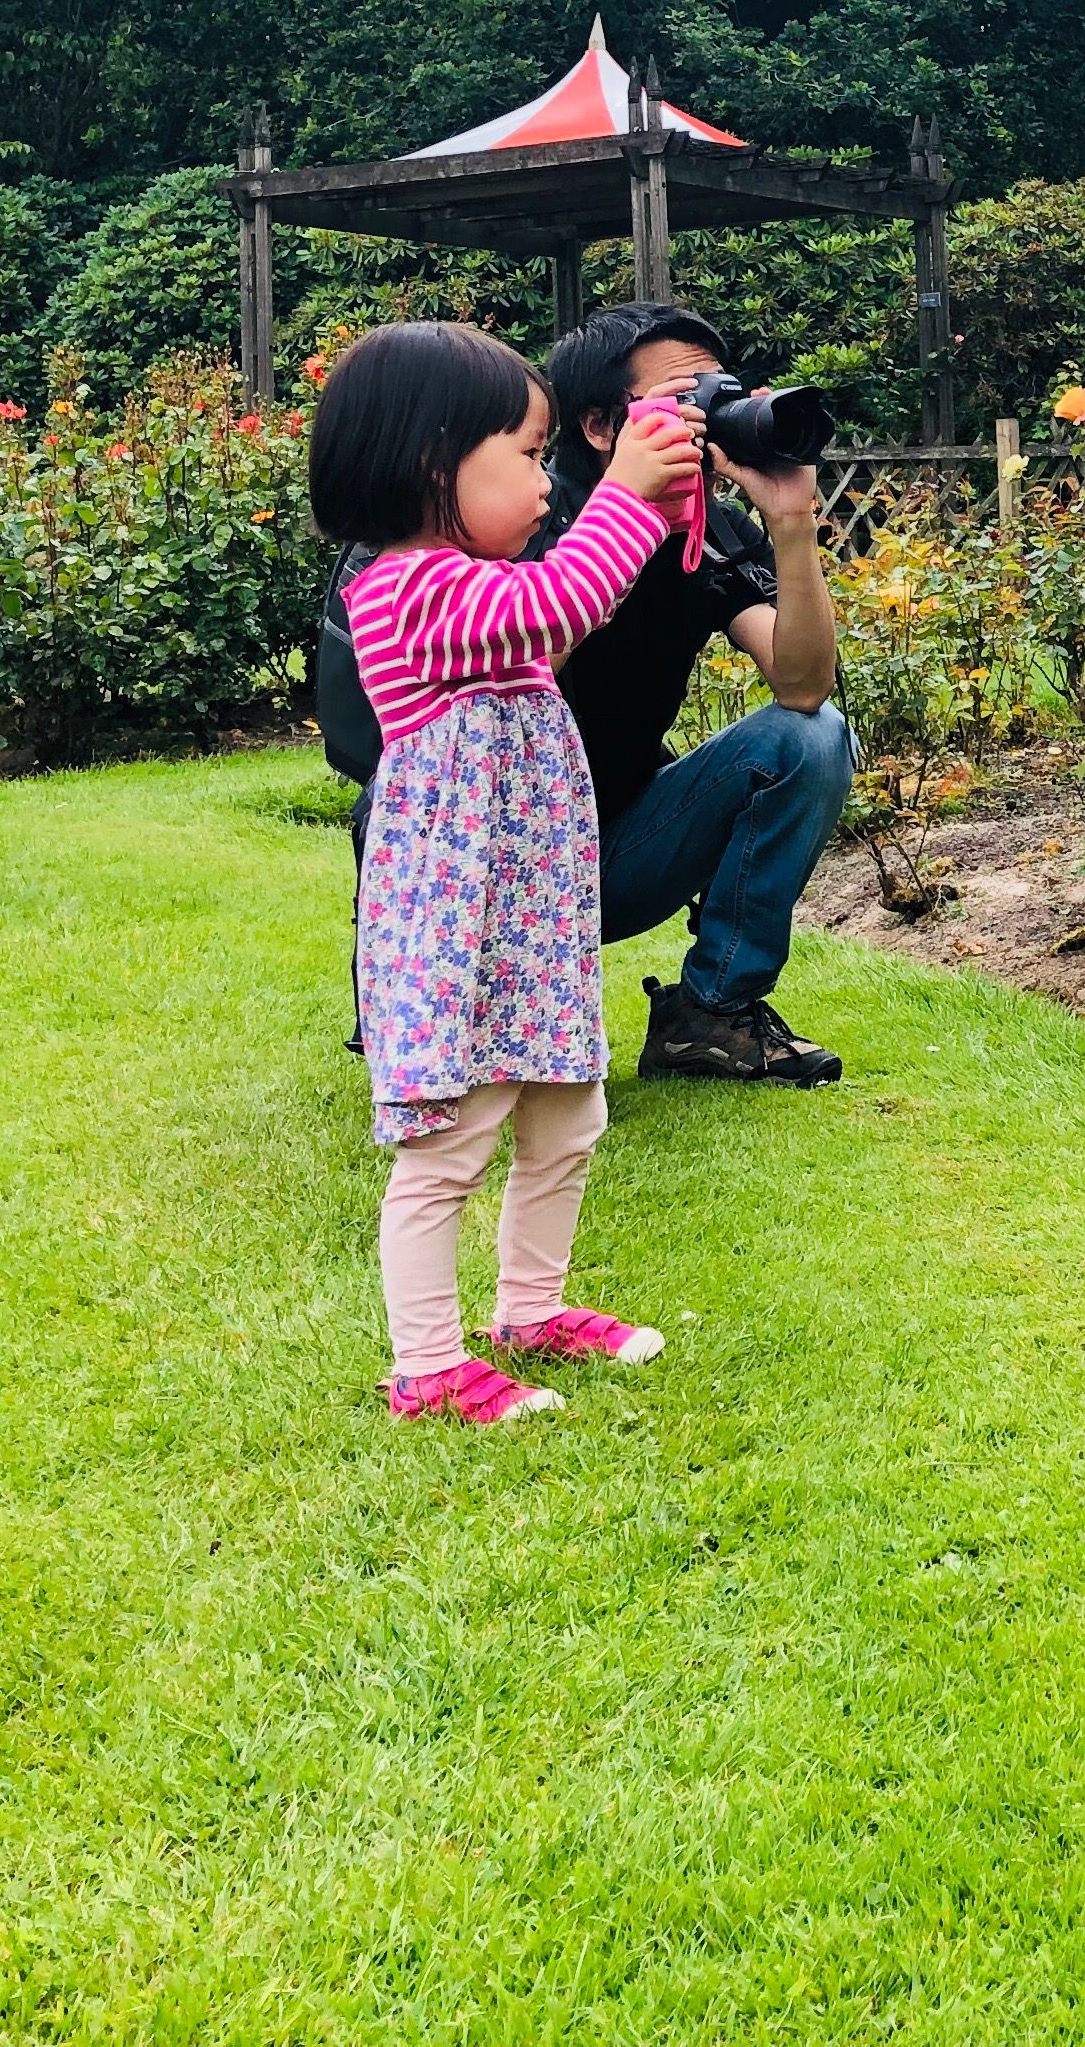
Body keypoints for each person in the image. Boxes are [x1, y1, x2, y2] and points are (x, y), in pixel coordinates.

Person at [310, 319, 696, 1427]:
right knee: (451, 1146)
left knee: (567, 1121)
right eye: (526, 457)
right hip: (457, 928)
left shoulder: (474, 583)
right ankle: (426, 1368)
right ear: (434, 464)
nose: (545, 483)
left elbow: (578, 604)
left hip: (525, 923)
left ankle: (530, 1312)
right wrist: (622, 490)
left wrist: (659, 508)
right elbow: (560, 602)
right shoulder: (407, 589)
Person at [536, 301, 855, 1087]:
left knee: (809, 738)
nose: (710, 419)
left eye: (721, 392)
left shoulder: (711, 531)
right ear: (602, 427)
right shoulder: (530, 517)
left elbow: (804, 685)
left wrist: (790, 523)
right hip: (489, 863)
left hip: (616, 853)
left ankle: (711, 1014)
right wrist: (627, 518)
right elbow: (510, 667)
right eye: (685, 401)